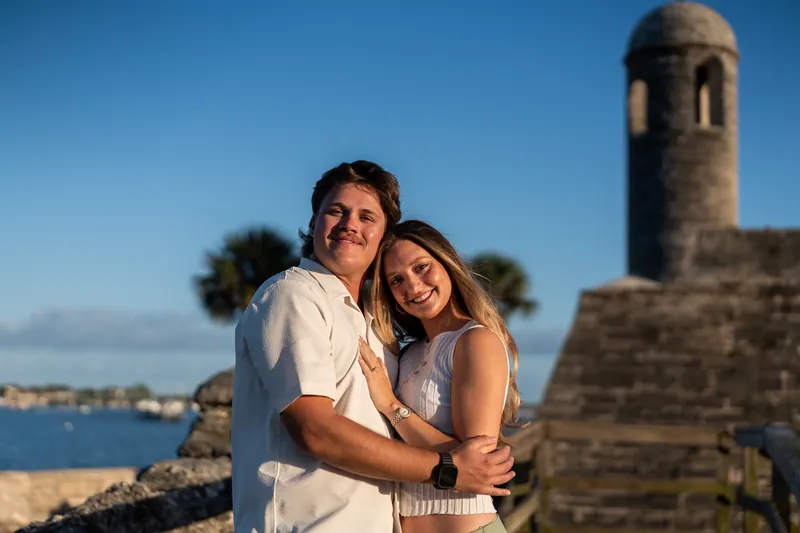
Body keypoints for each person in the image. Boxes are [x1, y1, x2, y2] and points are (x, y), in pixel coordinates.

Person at [231, 161, 516, 533]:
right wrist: (444, 468)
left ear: (383, 236)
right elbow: (313, 428)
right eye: (337, 211)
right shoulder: (294, 294)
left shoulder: (369, 324)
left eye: (367, 216)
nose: (350, 223)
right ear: (314, 220)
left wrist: (397, 411)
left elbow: (472, 452)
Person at [357, 219, 522, 533]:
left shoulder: (475, 341)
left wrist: (392, 407)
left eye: (421, 267)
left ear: (446, 264)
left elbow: (476, 465)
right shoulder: (409, 354)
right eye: (396, 280)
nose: (413, 286)